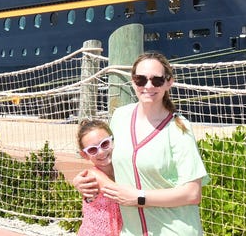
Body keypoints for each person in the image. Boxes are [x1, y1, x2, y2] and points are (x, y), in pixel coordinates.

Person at [74, 52, 209, 236]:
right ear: (132, 81)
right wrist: (84, 179)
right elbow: (115, 166)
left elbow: (192, 193)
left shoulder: (179, 129)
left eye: (157, 80)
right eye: (141, 80)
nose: (148, 86)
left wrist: (139, 197)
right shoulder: (120, 117)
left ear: (169, 82)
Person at [75, 119, 123, 236]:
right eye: (92, 149)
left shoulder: (122, 170)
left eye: (105, 144)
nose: (101, 152)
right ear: (84, 155)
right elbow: (122, 194)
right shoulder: (92, 176)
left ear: (113, 140)